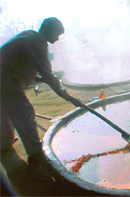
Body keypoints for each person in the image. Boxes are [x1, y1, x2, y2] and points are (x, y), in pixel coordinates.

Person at [0, 17, 81, 177]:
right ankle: (36, 156)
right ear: (49, 30)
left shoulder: (29, 35)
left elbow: (21, 63)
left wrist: (38, 77)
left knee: (4, 118)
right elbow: (48, 75)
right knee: (25, 114)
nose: (58, 39)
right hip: (6, 80)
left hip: (4, 77)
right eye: (57, 34)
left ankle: (3, 144)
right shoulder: (38, 43)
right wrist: (68, 97)